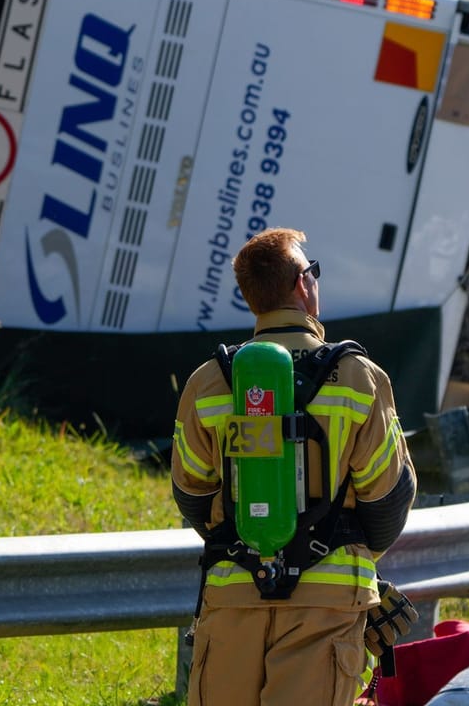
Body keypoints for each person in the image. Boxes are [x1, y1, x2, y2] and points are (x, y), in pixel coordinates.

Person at [172, 227, 417, 706]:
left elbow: (192, 495)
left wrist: (253, 540)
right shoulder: (356, 377)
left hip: (232, 595)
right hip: (327, 603)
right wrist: (346, 551)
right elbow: (388, 496)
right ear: (303, 285)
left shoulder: (209, 383)